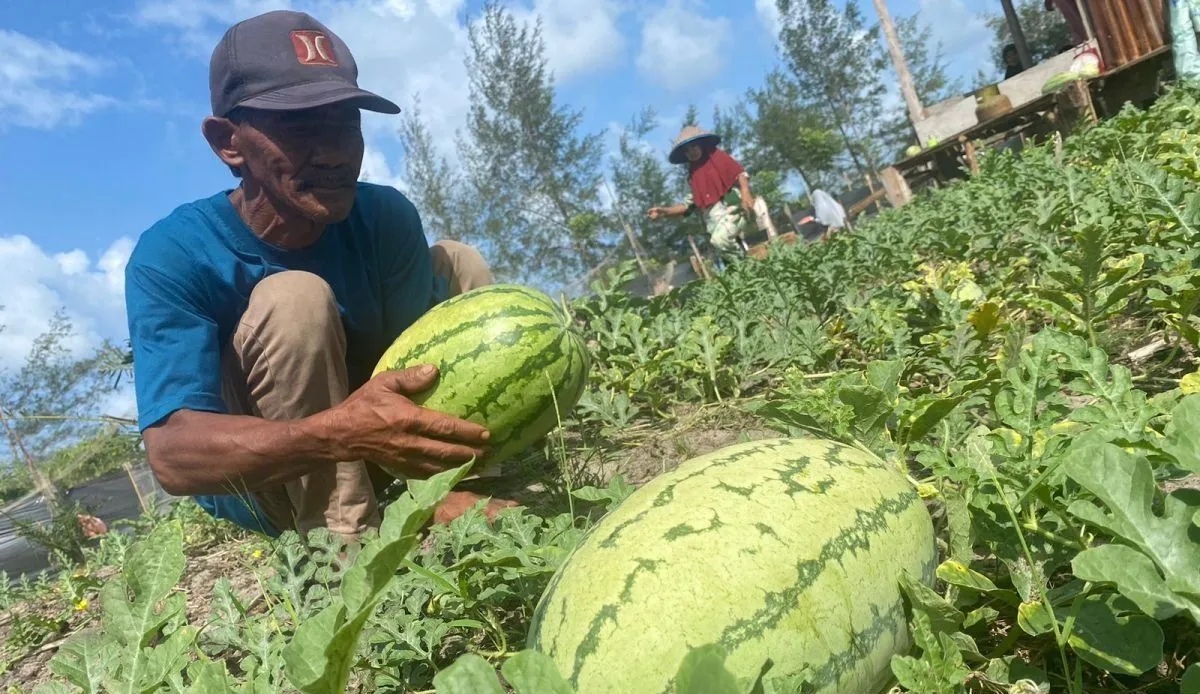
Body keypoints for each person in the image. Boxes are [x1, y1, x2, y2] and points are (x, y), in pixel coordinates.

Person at [123, 9, 516, 543]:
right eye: (300, 126)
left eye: (345, 123)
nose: (333, 152)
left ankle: (470, 478)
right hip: (278, 482)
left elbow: (417, 374)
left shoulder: (383, 218)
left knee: (457, 260)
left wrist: (425, 488)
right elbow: (173, 458)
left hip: (385, 455)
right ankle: (341, 547)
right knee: (295, 299)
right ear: (228, 143)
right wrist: (336, 433)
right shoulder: (174, 254)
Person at [646, 126, 775, 262]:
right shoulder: (693, 178)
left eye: (694, 146)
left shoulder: (718, 158)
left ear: (701, 144)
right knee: (720, 243)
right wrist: (664, 211)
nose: (692, 152)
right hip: (716, 221)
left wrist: (745, 192)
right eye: (687, 150)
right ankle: (743, 264)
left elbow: (739, 174)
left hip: (735, 209)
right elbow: (686, 206)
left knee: (725, 238)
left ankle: (755, 255)